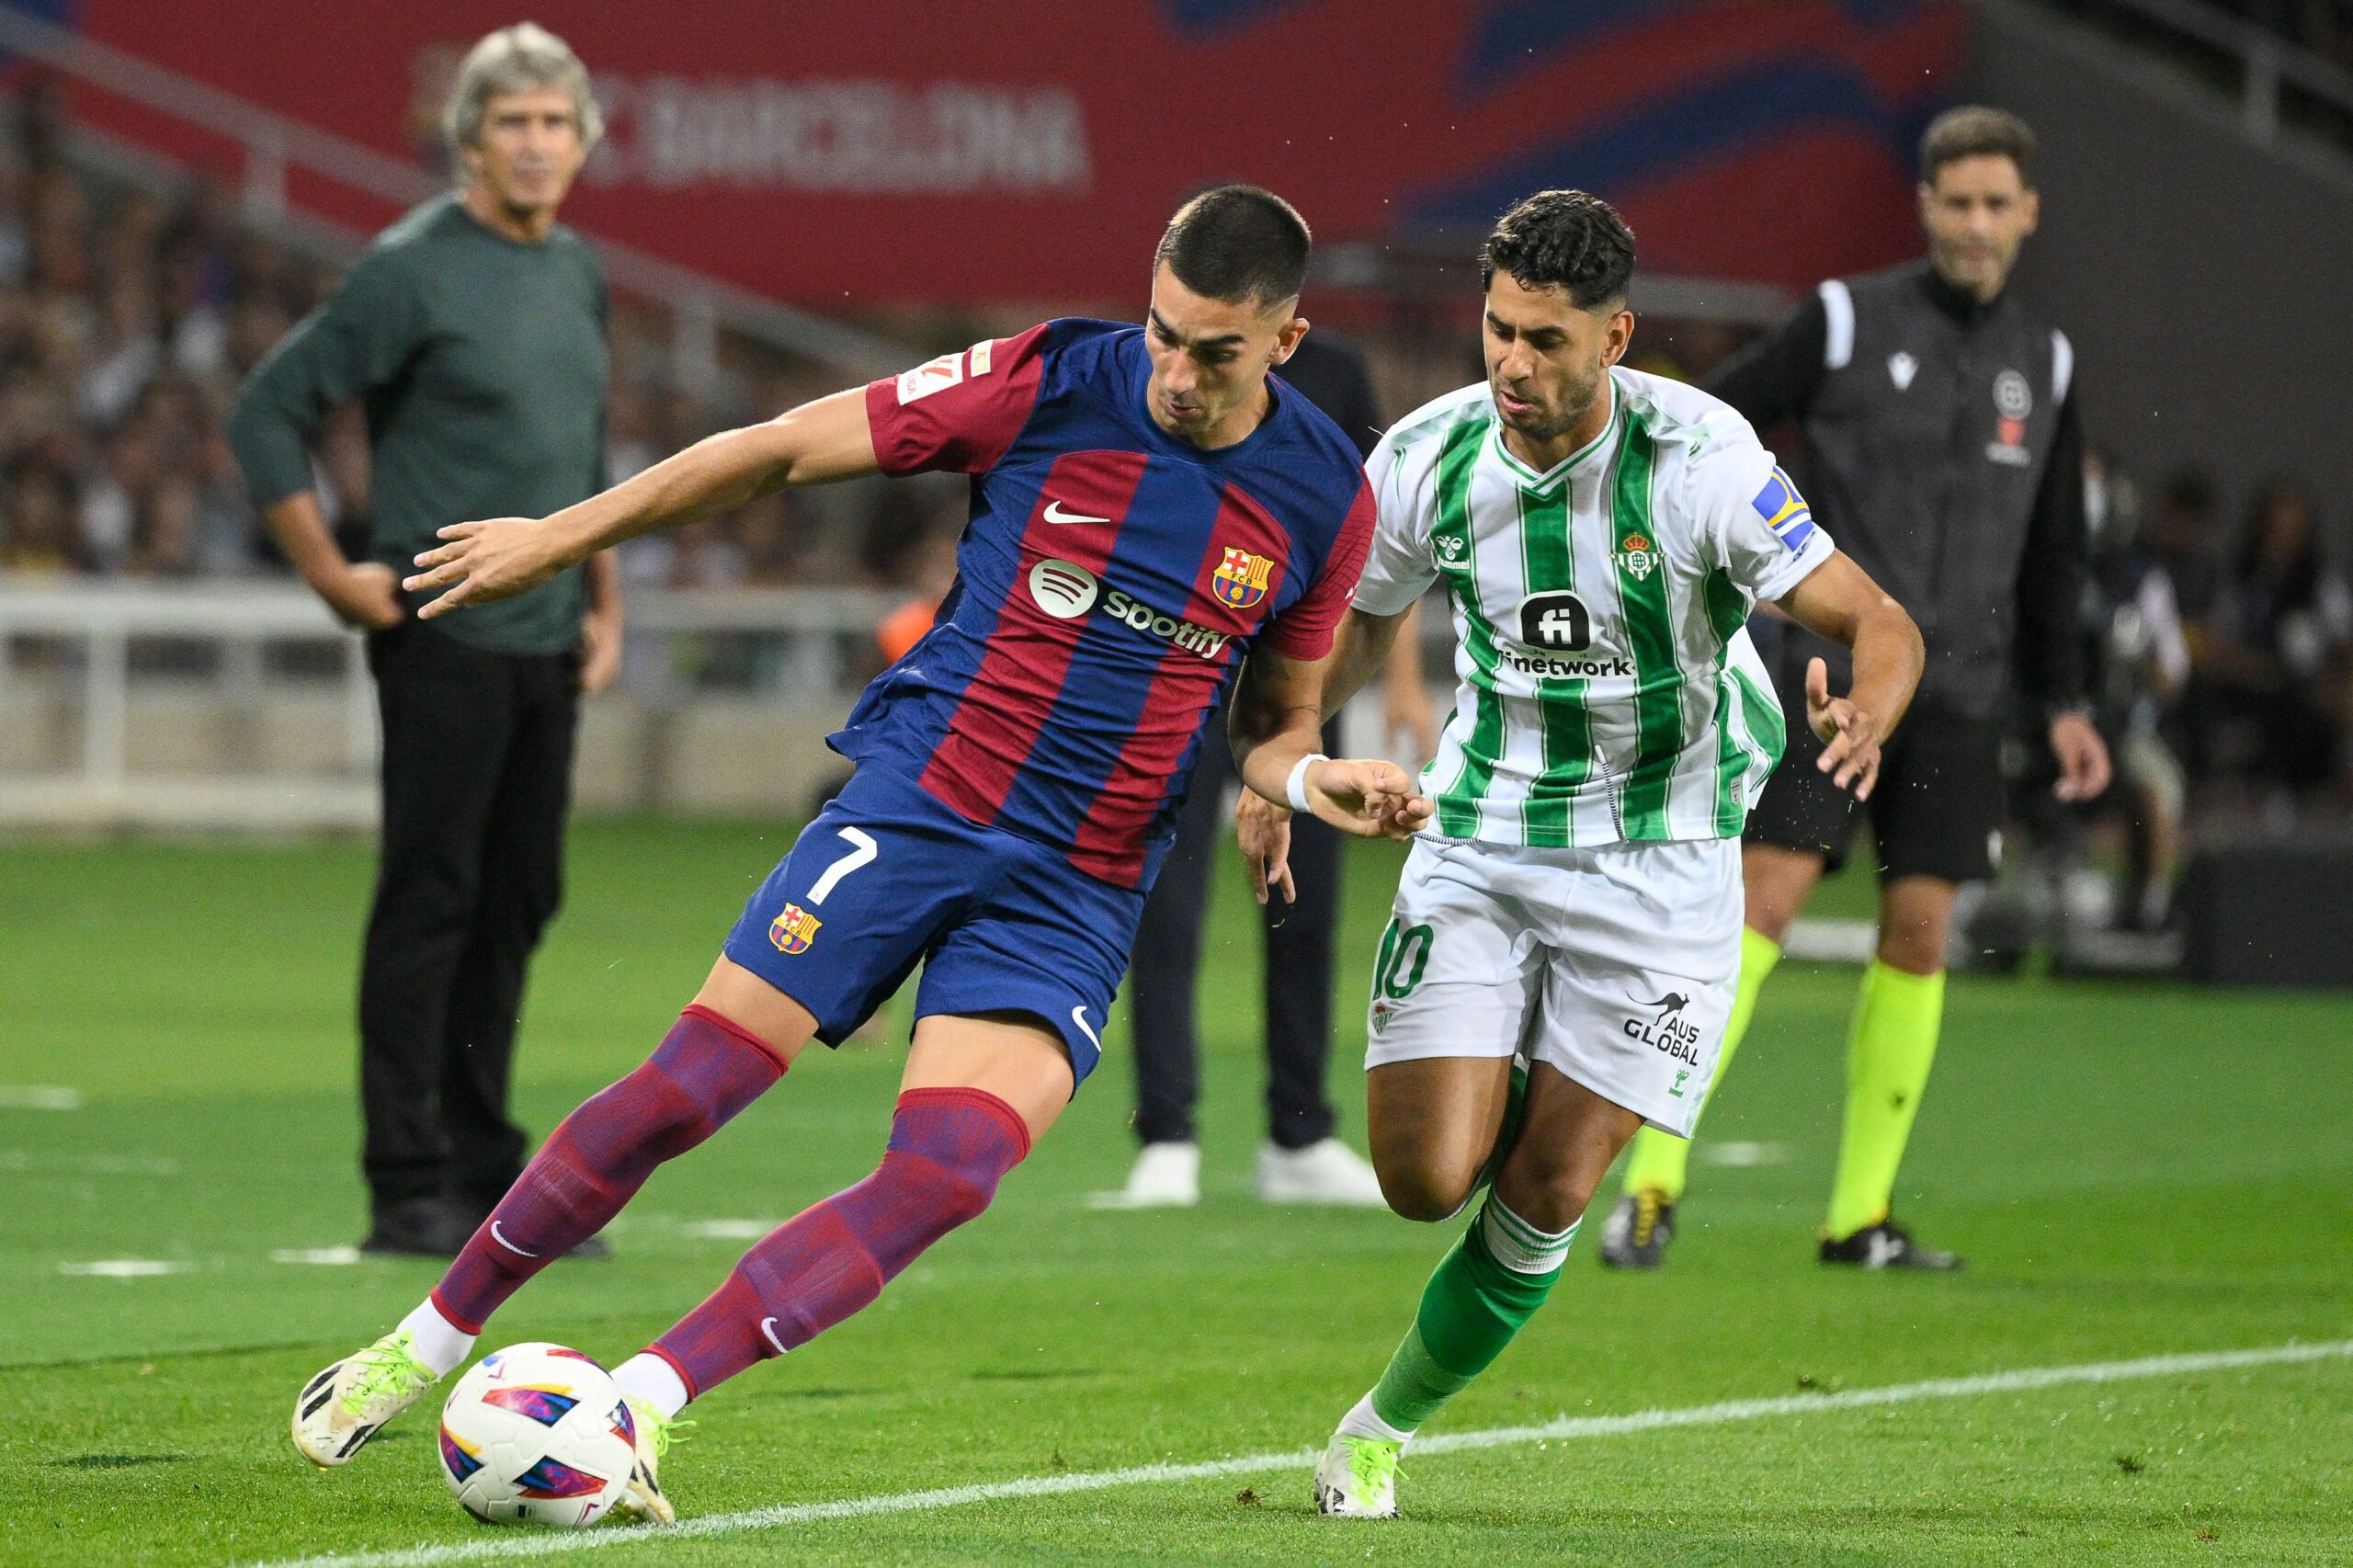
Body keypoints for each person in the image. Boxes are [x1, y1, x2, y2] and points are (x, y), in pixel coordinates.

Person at [285, 185, 1431, 1522]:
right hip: (923, 800)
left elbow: (1276, 716)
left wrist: (1299, 777)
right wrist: (561, 535)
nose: (1173, 371)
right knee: (687, 1088)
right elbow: (776, 448)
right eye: (1164, 332)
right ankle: (416, 1344)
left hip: (1083, 880)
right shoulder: (1053, 375)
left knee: (948, 1173)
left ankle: (641, 1403)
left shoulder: (1321, 495)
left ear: (1285, 342)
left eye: (1214, 352)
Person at [1230, 189, 1924, 1517]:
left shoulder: (1702, 457)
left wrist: (1872, 704)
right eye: (1498, 330)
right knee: (1425, 1177)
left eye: (1546, 340)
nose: (1511, 363)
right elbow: (1358, 619)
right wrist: (1292, 751)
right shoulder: (1430, 455)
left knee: (1548, 1187)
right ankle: (1521, 1058)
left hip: (1663, 860)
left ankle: (1376, 1431)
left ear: (1617, 338)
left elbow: (1876, 618)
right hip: (1483, 828)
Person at [1602, 106, 2110, 1272]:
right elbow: (1711, 426)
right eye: (1957, 202)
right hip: (1821, 679)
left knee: (1921, 929)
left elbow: (2055, 554)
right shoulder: (1840, 320)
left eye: (1997, 204)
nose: (1976, 224)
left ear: (2026, 214)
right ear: (1926, 208)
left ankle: (1858, 1217)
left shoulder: (2049, 361)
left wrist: (2066, 698)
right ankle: (1650, 1181)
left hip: (1963, 690)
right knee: (1761, 904)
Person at [227, 24, 623, 1258]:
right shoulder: (411, 269)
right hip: (443, 630)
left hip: (549, 638)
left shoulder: (577, 273)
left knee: (518, 898)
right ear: (467, 138)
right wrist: (331, 574)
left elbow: (579, 458)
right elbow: (266, 412)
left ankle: (479, 1161)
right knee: (432, 898)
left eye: (557, 122)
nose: (537, 143)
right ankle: (406, 1179)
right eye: (513, 121)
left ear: (584, 139)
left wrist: (605, 603)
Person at [1096, 329, 1438, 1210]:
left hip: (1295, 682)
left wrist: (1400, 684)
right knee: (1163, 908)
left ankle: (1299, 1132)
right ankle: (1167, 1134)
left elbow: (1375, 549)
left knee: (1303, 904)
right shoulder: (1158, 366)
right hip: (1177, 673)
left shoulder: (1335, 374)